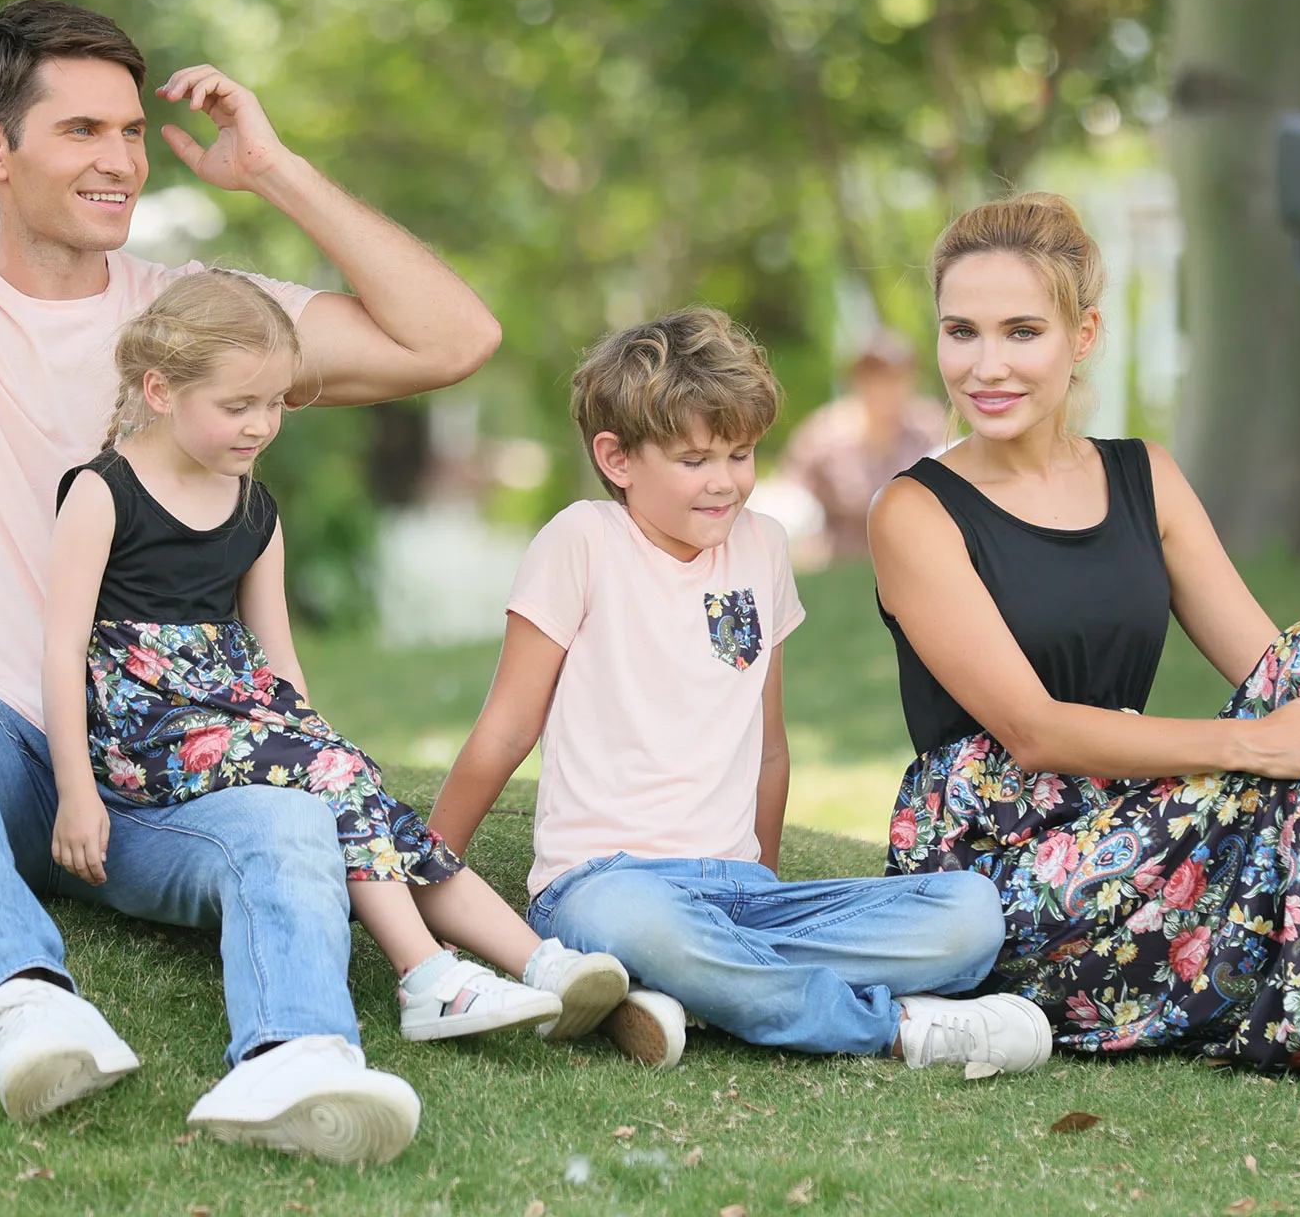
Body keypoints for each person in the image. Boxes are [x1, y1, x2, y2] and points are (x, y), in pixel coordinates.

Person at [0, 0, 504, 1163]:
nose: (120, 160)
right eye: (81, 130)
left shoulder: (191, 324)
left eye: (130, 131)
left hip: (162, 778)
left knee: (289, 808)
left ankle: (298, 1057)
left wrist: (273, 170)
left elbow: (451, 339)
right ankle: (22, 997)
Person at [429, 306, 1054, 1075]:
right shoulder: (582, 540)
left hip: (742, 895)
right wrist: (429, 879)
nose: (725, 481)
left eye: (741, 453)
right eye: (695, 460)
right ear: (617, 458)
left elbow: (769, 748)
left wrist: (762, 882)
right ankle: (892, 1028)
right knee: (644, 926)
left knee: (970, 916)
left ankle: (694, 985)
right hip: (605, 888)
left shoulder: (762, 546)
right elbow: (504, 730)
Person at [869, 191, 1300, 1082]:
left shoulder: (1144, 476)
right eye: (962, 332)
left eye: (1021, 332)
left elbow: (1284, 675)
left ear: (1081, 336)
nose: (986, 366)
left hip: (1149, 817)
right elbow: (1034, 732)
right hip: (1006, 868)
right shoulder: (914, 510)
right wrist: (1260, 745)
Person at [44, 270, 630, 1066]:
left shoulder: (253, 507)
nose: (260, 425)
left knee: (360, 790)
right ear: (160, 390)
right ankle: (425, 975)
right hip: (145, 734)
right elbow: (62, 649)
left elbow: (278, 660)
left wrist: (322, 746)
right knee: (334, 774)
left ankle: (541, 964)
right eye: (237, 406)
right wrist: (76, 793)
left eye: (274, 404)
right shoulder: (103, 493)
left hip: (237, 718)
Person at [780, 329, 945, 563]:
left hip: (914, 558)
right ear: (857, 380)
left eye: (895, 377)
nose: (885, 388)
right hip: (843, 562)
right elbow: (793, 502)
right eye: (875, 377)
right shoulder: (824, 436)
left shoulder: (928, 429)